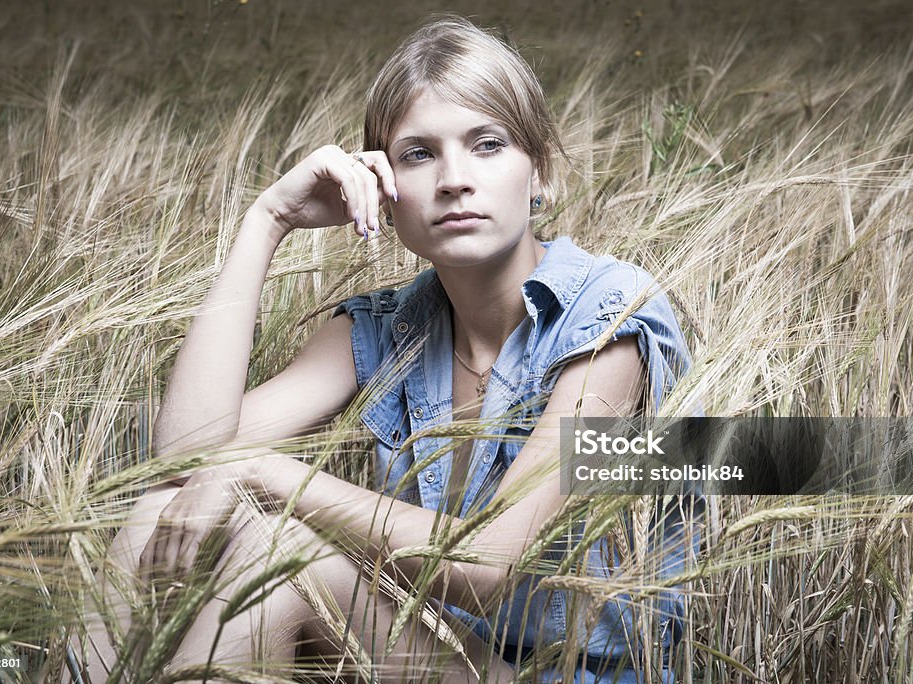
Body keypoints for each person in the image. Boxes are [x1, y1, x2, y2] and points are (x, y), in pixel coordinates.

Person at [71, 15, 698, 684]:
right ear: (383, 189)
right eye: (419, 154)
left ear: (537, 171)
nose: (454, 179)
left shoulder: (609, 317)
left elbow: (487, 566)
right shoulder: (387, 326)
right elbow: (185, 460)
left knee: (277, 548)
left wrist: (266, 474)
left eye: (487, 144)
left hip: (558, 675)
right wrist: (268, 221)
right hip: (430, 650)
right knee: (155, 511)